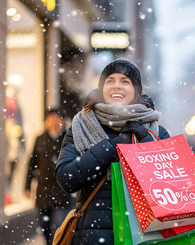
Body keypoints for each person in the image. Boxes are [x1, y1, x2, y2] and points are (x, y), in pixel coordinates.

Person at [55, 59, 170, 244]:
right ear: (102, 88)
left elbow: (170, 183)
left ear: (136, 91)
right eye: (110, 81)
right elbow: (66, 178)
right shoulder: (81, 126)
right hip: (93, 236)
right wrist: (110, 147)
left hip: (145, 236)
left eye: (125, 81)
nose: (117, 86)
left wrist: (146, 143)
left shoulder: (155, 131)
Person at [25, 108, 72, 245]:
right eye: (50, 119)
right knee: (44, 225)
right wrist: (27, 186)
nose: (54, 122)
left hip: (62, 190)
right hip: (43, 191)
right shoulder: (40, 139)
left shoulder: (68, 139)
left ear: (63, 121)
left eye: (57, 118)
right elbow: (32, 164)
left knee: (59, 225)